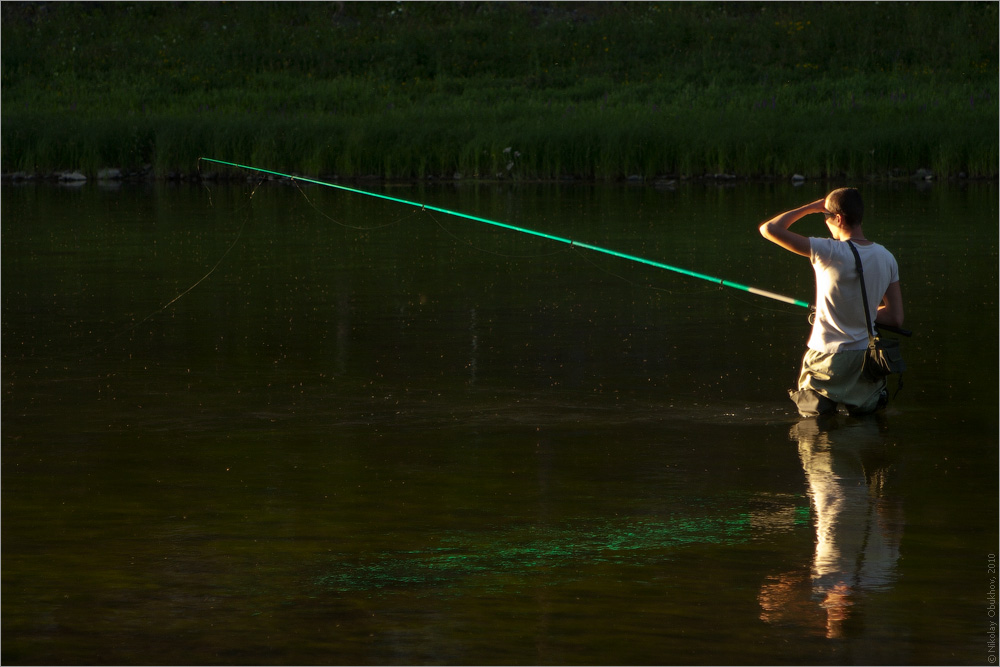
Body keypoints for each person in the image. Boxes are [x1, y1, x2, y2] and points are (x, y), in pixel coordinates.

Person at [758, 187, 904, 417]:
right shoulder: (886, 257)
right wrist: (857, 311)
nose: (824, 221)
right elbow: (895, 318)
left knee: (815, 434)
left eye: (825, 216)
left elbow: (768, 229)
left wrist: (810, 208)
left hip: (827, 359)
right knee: (863, 434)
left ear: (838, 218)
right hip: (866, 360)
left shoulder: (827, 251)